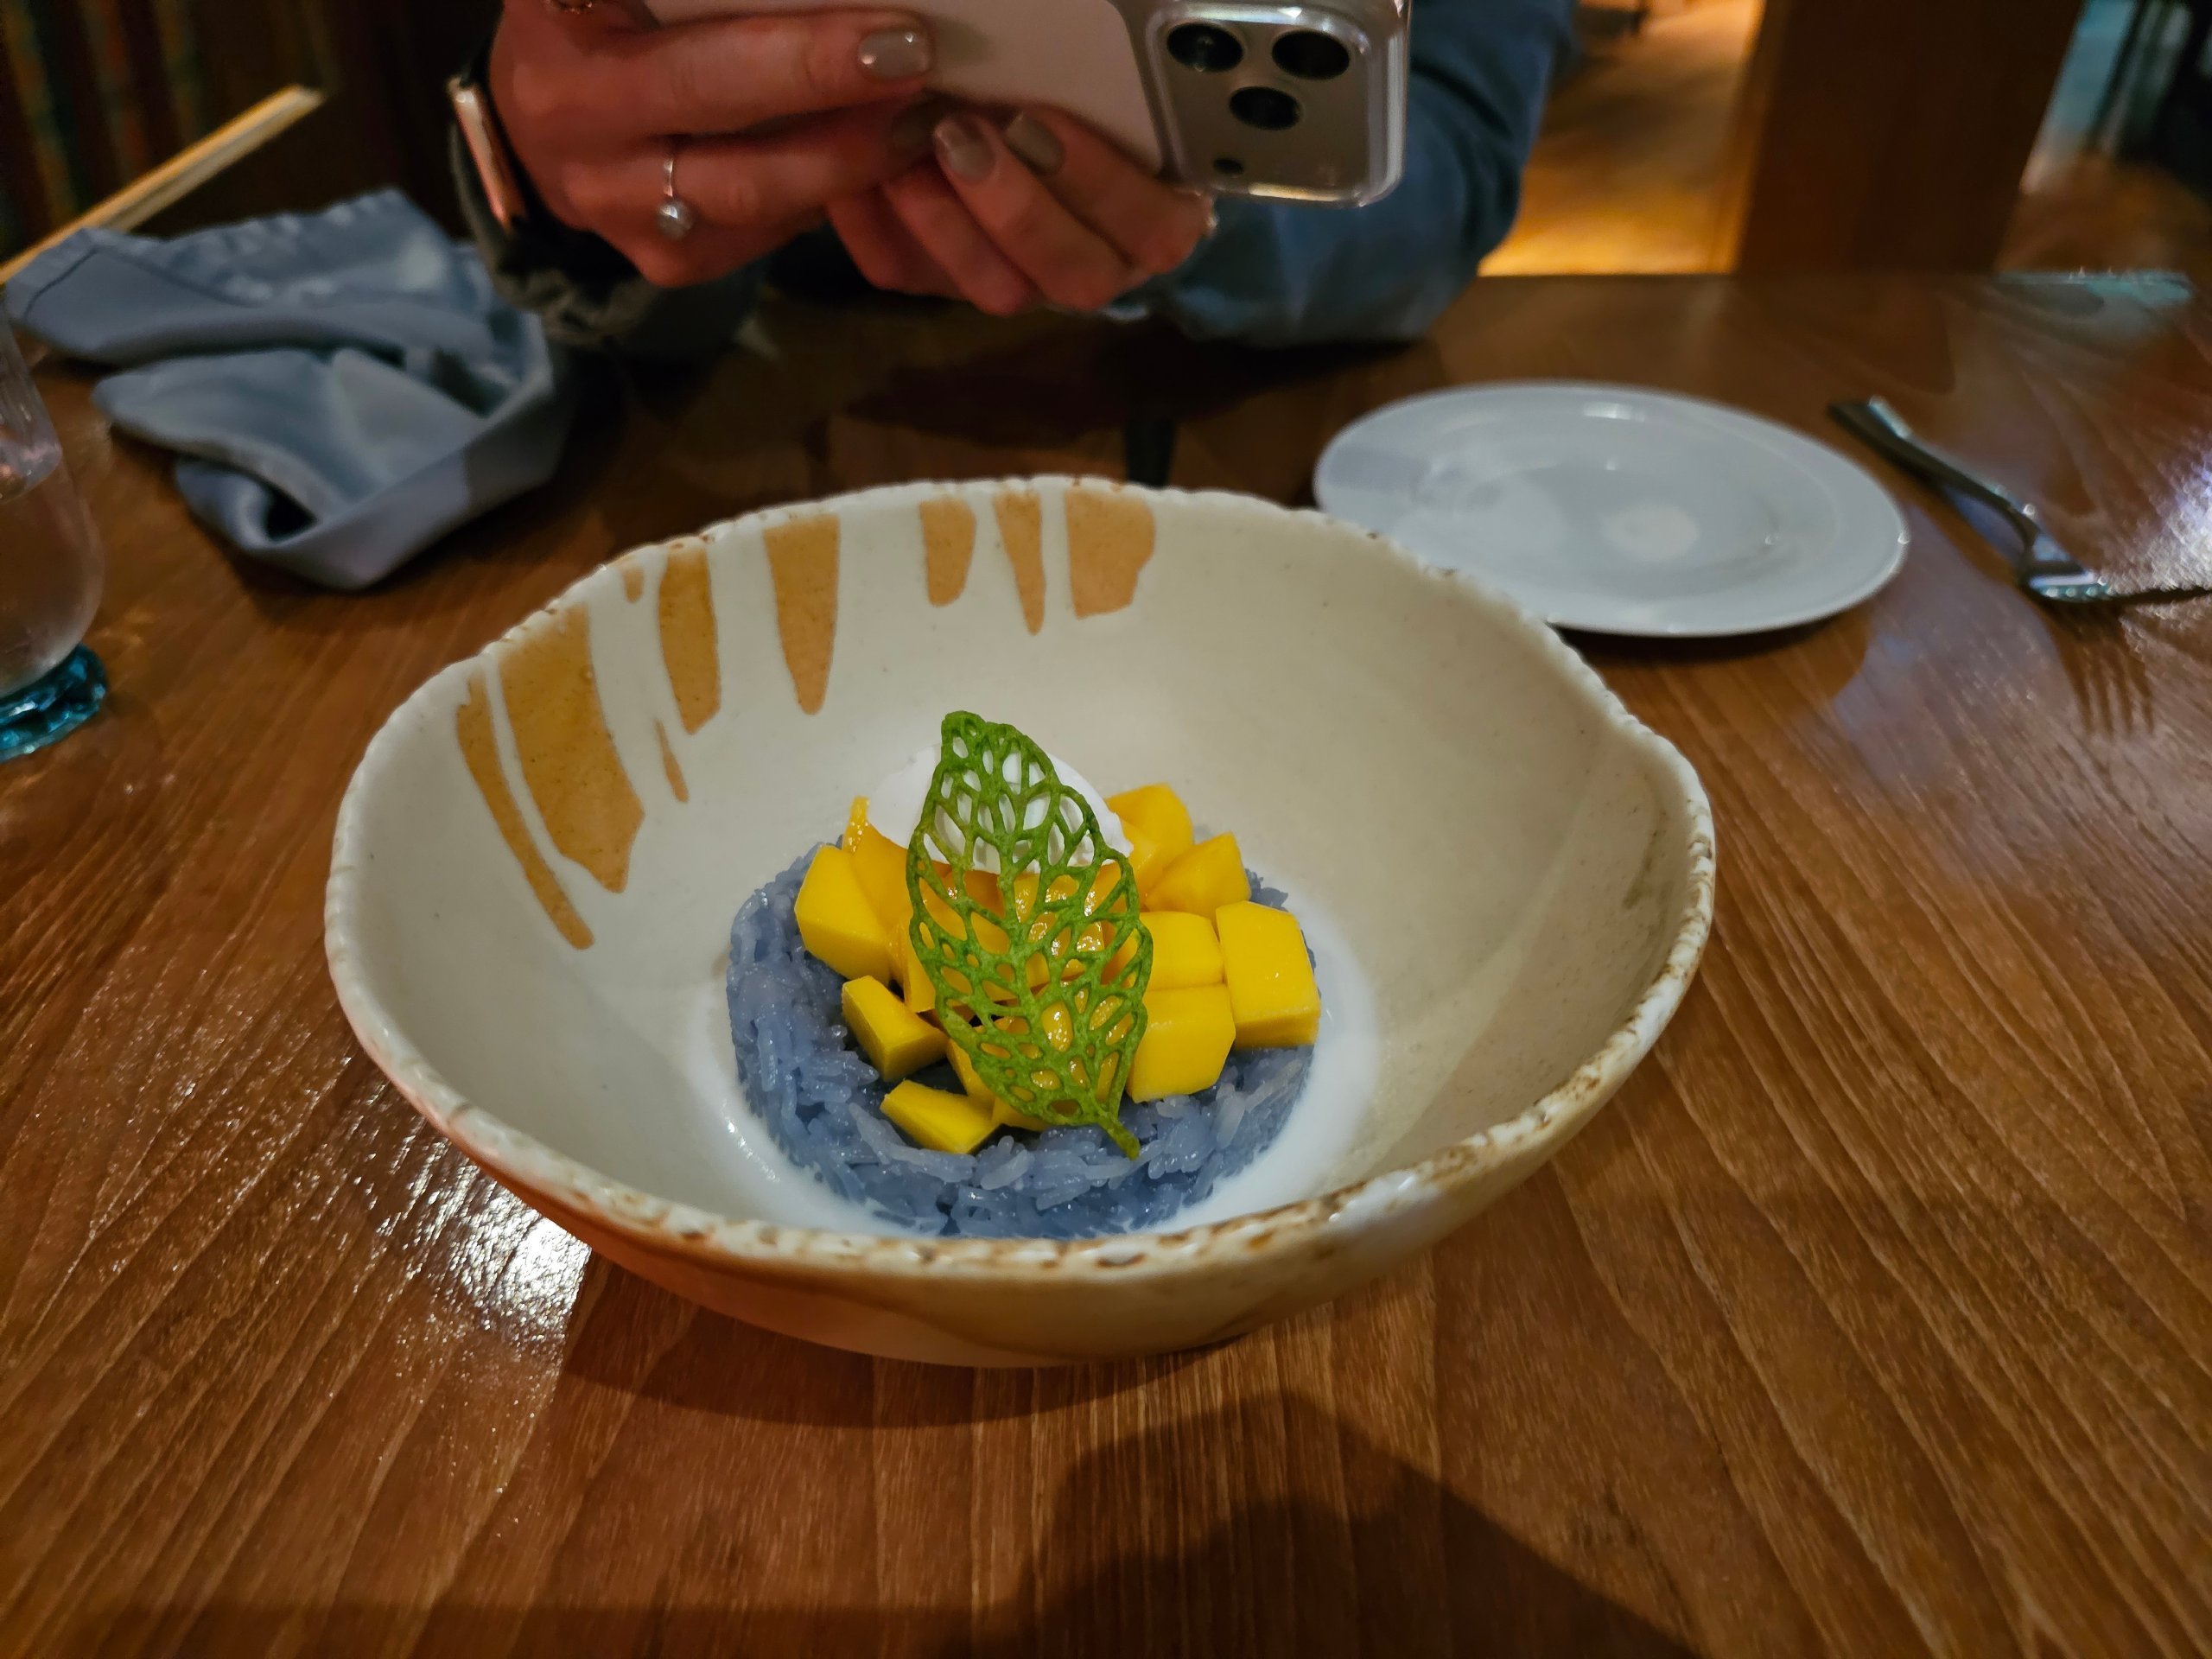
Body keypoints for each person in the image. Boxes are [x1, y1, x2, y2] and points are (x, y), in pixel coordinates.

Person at [454, 0, 1573, 353]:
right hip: (763, 398)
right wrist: (545, 165)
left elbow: (1451, 166)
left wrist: (1191, 198)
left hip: (1224, 425)